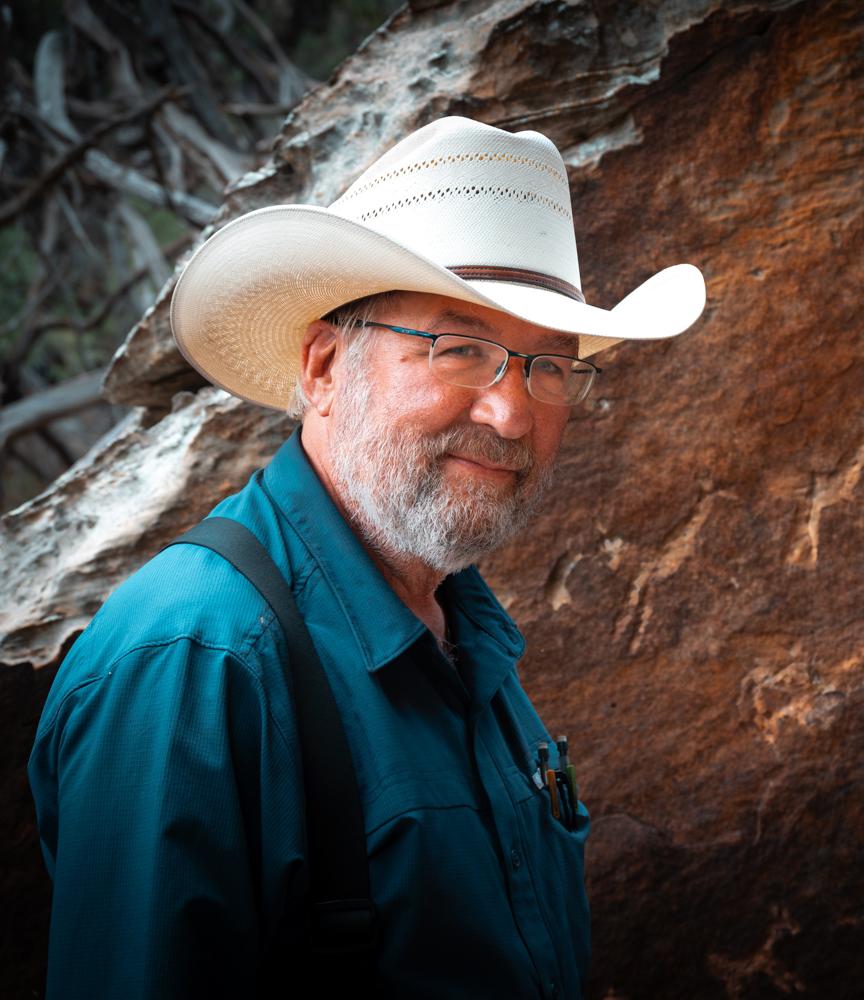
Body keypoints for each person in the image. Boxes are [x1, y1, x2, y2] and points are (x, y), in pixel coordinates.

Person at [27, 116, 705, 999]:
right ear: (321, 367)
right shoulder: (195, 660)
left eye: (549, 367)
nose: (511, 414)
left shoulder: (462, 630)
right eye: (459, 349)